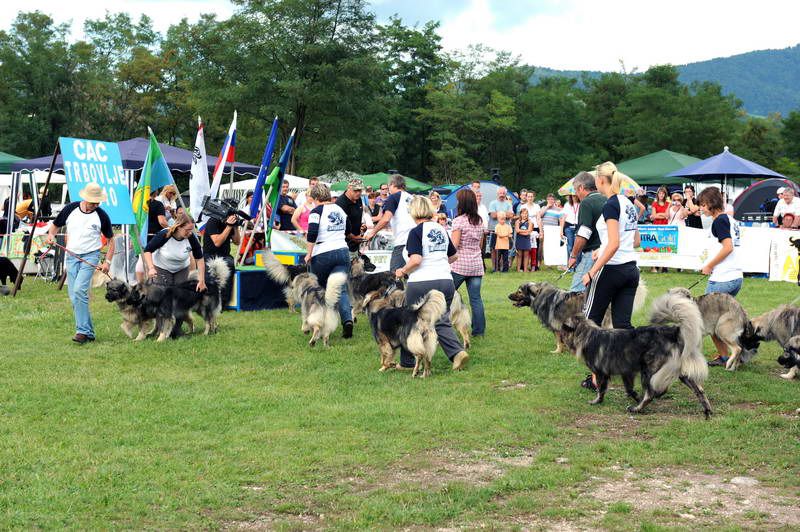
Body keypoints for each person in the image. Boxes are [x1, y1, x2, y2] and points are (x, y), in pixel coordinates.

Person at [395, 195, 469, 370]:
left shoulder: (415, 232)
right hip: (445, 280)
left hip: (421, 282)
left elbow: (416, 260)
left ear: (413, 212)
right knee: (441, 319)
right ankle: (457, 353)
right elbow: (453, 256)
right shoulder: (441, 229)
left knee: (411, 319)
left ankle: (408, 362)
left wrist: (402, 271)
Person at [45, 183, 115, 344]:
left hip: (90, 256)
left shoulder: (102, 215)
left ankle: (82, 332)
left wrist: (107, 262)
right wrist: (51, 236)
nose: (95, 205)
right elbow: (54, 227)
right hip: (71, 256)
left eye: (97, 203)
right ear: (85, 198)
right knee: (74, 297)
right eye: (92, 202)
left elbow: (112, 241)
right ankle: (89, 332)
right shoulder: (70, 209)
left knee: (79, 291)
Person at [582, 162, 640, 329]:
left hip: (611, 269)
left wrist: (592, 272)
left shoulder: (611, 205)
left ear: (600, 180)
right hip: (630, 269)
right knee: (623, 326)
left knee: (589, 323)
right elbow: (635, 241)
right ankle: (633, 355)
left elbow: (614, 243)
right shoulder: (628, 203)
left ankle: (594, 356)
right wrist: (602, 248)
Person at [305, 183, 354, 338]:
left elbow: (312, 233)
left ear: (316, 198)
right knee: (341, 288)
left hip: (322, 253)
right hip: (342, 251)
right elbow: (348, 229)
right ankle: (347, 320)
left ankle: (320, 324)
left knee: (319, 290)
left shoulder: (316, 211)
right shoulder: (339, 209)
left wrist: (308, 253)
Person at [450, 189, 486, 338]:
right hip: (476, 265)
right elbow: (480, 244)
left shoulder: (458, 221)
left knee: (446, 295)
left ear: (462, 203)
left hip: (459, 265)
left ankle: (441, 326)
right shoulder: (479, 221)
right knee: (476, 299)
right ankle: (479, 331)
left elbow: (454, 245)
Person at [365, 174, 415, 272]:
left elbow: (386, 219)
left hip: (403, 240)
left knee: (394, 274)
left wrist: (372, 232)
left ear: (392, 184)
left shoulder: (393, 197)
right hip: (416, 239)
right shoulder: (412, 198)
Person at [143, 212, 205, 289]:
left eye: (191, 230)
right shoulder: (165, 234)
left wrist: (201, 281)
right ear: (179, 227)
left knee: (181, 294)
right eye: (187, 230)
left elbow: (199, 258)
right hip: (162, 267)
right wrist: (151, 268)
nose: (190, 233)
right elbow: (147, 250)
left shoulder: (191, 237)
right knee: (163, 295)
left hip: (182, 268)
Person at [567, 171, 606, 293]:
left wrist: (573, 256)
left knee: (575, 293)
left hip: (592, 254)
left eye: (575, 190)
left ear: (581, 187)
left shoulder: (587, 202)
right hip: (608, 252)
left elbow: (584, 233)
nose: (576, 194)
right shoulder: (607, 199)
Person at [202, 208, 241, 307]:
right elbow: (217, 242)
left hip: (225, 255)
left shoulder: (230, 223)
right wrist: (228, 227)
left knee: (230, 263)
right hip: (210, 255)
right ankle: (209, 301)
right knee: (212, 275)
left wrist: (235, 227)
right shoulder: (213, 221)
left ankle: (224, 303)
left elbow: (237, 242)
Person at [335, 178, 366, 254]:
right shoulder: (340, 203)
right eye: (355, 190)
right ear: (348, 188)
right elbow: (340, 225)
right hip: (343, 244)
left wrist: (362, 226)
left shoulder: (358, 199)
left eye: (360, 190)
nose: (358, 193)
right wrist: (354, 237)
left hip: (356, 241)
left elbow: (358, 216)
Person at [488, 187, 514, 272]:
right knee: (494, 249)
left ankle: (503, 267)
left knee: (504, 249)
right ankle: (494, 267)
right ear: (497, 194)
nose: (502, 195)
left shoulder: (508, 204)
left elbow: (511, 215)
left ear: (505, 194)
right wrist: (504, 214)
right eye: (500, 193)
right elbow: (493, 215)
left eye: (503, 193)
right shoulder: (492, 203)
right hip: (494, 229)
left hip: (506, 230)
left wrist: (499, 213)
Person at [560, 194, 579, 262]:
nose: (574, 197)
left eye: (576, 195)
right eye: (573, 196)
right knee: (570, 246)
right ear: (570, 196)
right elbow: (563, 217)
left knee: (577, 246)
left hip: (578, 227)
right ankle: (570, 265)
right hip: (568, 227)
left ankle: (577, 265)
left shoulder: (581, 203)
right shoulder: (567, 204)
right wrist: (561, 230)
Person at [515, 207, 534, 272]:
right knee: (519, 255)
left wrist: (521, 232)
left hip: (526, 240)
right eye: (523, 213)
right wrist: (525, 232)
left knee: (526, 255)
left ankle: (525, 270)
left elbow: (529, 231)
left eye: (526, 213)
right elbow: (517, 230)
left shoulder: (530, 222)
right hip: (519, 239)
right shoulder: (518, 221)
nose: (524, 215)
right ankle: (518, 269)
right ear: (520, 214)